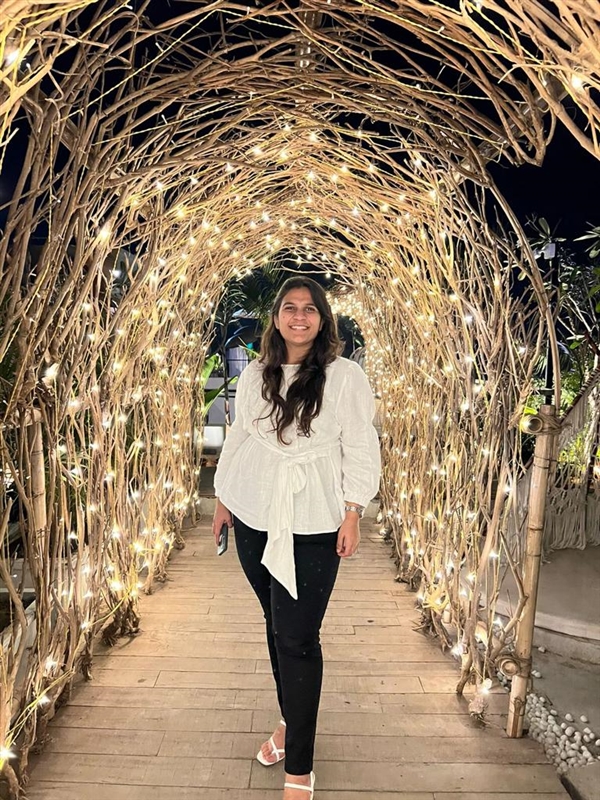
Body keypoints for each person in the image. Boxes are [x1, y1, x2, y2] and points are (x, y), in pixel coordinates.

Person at [212, 276, 381, 800]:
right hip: (253, 511)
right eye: (290, 307)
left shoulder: (344, 376)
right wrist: (223, 498)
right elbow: (239, 436)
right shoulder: (256, 373)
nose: (299, 316)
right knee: (276, 624)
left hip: (314, 518)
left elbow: (361, 443)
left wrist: (353, 511)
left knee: (298, 638)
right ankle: (290, 722)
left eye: (310, 309)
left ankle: (300, 769)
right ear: (277, 318)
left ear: (323, 319)